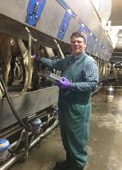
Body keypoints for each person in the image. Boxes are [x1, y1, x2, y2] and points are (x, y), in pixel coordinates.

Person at [34, 31, 98, 170]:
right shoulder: (69, 60)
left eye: (79, 42)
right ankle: (70, 161)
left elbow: (93, 84)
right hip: (65, 105)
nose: (76, 44)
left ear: (84, 44)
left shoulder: (89, 62)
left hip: (78, 108)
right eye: (74, 41)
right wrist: (38, 58)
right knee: (67, 135)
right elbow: (54, 63)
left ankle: (78, 165)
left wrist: (70, 85)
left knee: (77, 138)